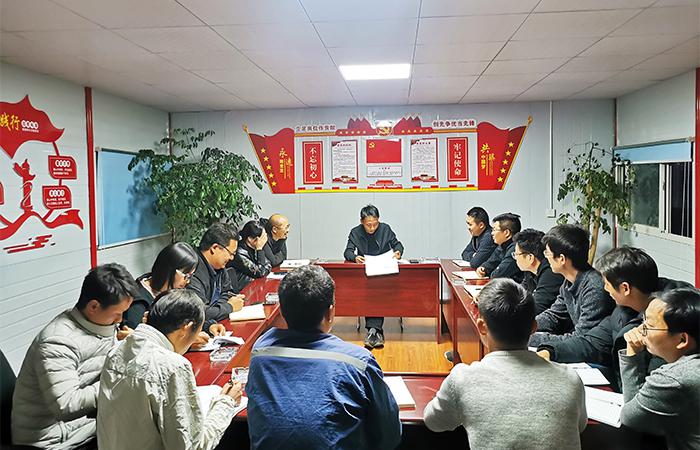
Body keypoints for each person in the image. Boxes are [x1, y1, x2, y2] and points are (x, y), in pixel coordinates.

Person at [246, 265, 401, 450]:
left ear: (281, 313)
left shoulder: (261, 351)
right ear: (330, 312)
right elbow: (390, 434)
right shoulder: (358, 362)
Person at [424, 278, 586, 449]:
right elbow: (580, 425)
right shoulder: (570, 379)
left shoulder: (463, 379)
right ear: (534, 327)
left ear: (481, 326)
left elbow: (433, 422)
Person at [12, 264, 139, 449]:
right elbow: (67, 405)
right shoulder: (57, 342)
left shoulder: (97, 323)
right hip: (54, 440)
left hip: (85, 424)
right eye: (117, 314)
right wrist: (118, 381)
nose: (120, 320)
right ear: (93, 306)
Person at [97, 289, 243, 450]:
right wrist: (226, 403)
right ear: (185, 329)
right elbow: (193, 446)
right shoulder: (172, 366)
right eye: (197, 331)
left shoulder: (116, 351)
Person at [536, 247, 692, 390]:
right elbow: (592, 342)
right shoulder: (625, 309)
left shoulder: (674, 318)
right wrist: (551, 351)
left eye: (606, 284)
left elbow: (655, 386)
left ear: (625, 288)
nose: (604, 289)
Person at [619, 288, 700, 450]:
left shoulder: (674, 379)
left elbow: (630, 418)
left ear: (682, 339)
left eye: (649, 326)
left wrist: (632, 353)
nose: (641, 330)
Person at [122, 241, 228, 348]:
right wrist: (187, 342)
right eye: (186, 276)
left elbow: (184, 318)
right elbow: (137, 344)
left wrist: (208, 326)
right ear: (169, 270)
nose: (188, 281)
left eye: (190, 276)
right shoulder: (139, 303)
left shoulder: (171, 291)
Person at [529, 224, 615, 347]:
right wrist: (525, 326)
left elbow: (581, 338)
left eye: (547, 253)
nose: (546, 258)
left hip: (595, 352)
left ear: (561, 259)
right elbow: (554, 315)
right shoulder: (569, 281)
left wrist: (527, 338)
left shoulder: (594, 287)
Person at [343, 204, 404, 349]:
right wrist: (355, 257)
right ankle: (375, 331)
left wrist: (398, 252)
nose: (372, 228)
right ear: (361, 222)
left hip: (385, 271)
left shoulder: (385, 229)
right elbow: (347, 252)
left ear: (378, 220)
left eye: (375, 224)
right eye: (368, 225)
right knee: (372, 289)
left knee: (376, 289)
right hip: (366, 272)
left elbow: (398, 245)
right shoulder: (355, 232)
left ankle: (373, 330)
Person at [188, 223, 245, 332]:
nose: (232, 258)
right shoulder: (192, 270)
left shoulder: (219, 266)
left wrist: (217, 309)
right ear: (215, 248)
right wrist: (229, 307)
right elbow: (200, 312)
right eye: (231, 253)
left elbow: (227, 292)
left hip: (213, 325)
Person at [512, 228, 564, 314]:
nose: (515, 258)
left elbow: (537, 307)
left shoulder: (551, 273)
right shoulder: (529, 271)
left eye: (516, 254)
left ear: (530, 258)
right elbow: (519, 292)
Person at [476, 212, 523, 282]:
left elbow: (498, 275)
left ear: (506, 233)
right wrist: (483, 268)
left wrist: (489, 272)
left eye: (494, 230)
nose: (492, 233)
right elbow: (490, 262)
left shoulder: (516, 248)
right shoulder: (502, 245)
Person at [229, 219, 272, 290]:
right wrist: (259, 249)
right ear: (250, 239)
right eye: (263, 237)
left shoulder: (253, 248)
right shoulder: (239, 253)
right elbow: (260, 272)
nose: (265, 240)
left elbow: (268, 264)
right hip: (243, 290)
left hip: (254, 285)